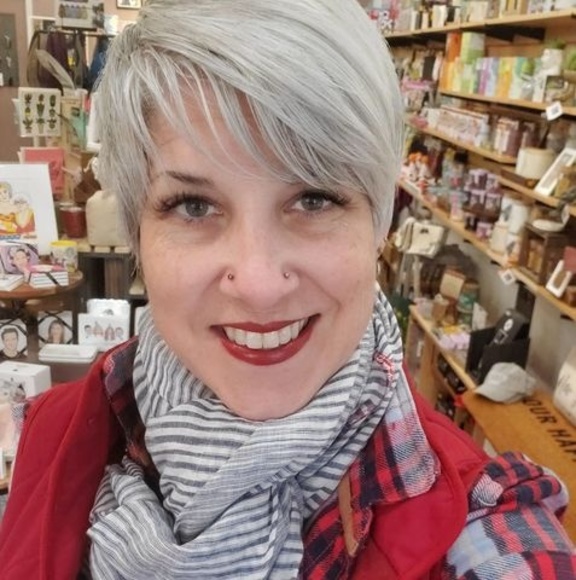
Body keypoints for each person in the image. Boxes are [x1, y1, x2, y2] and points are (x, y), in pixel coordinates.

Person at [0, 1, 574, 578]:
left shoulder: (486, 529)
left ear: (378, 225)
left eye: (314, 199)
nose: (258, 286)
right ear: (137, 234)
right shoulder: (53, 430)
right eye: (193, 206)